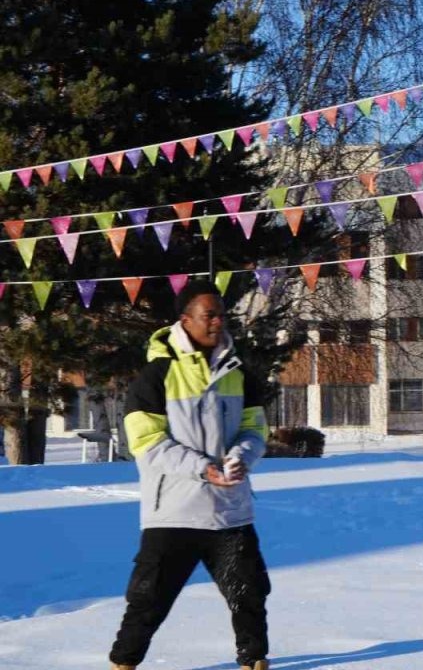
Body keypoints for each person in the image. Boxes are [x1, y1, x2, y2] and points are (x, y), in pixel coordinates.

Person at [109, 280, 272, 670]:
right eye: (208, 315)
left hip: (230, 510)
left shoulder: (238, 371)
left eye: (221, 314)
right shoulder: (156, 375)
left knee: (248, 592)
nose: (218, 322)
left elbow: (256, 429)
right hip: (175, 512)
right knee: (148, 599)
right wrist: (203, 469)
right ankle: (123, 663)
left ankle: (254, 661)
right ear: (184, 320)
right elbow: (146, 442)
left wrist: (242, 457)